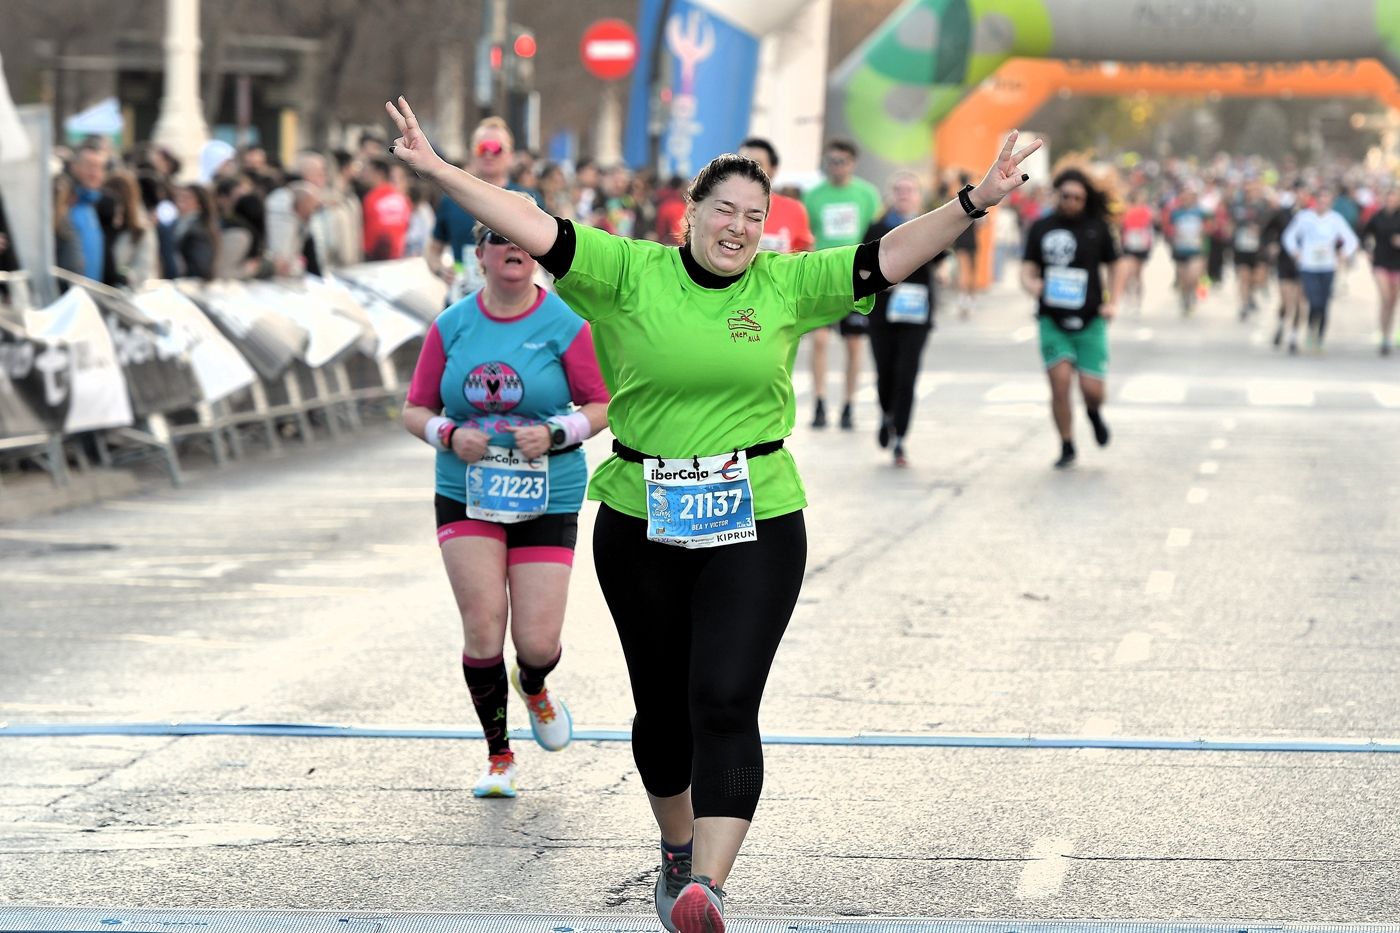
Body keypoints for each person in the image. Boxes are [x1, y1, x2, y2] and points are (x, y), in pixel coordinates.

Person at [386, 94, 1040, 933]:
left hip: (757, 512)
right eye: (723, 209)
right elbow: (532, 222)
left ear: (768, 227)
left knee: (725, 697)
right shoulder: (627, 273)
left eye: (753, 215)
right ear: (689, 214)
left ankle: (707, 888)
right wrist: (441, 171)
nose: (737, 226)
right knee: (663, 708)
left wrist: (975, 200)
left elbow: (887, 257)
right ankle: (676, 843)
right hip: (642, 513)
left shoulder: (785, 282)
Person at [401, 209, 610, 798]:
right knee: (483, 627)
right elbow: (414, 408)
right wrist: (447, 434)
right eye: (500, 237)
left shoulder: (568, 323)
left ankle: (536, 685)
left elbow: (602, 404)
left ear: (537, 253)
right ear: (482, 255)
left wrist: (557, 432)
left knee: (536, 644)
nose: (513, 246)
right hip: (466, 489)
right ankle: (499, 756)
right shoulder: (453, 325)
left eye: (524, 237)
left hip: (549, 490)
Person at [1021, 167, 1126, 470]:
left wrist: (1113, 303)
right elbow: (1026, 270)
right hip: (1052, 320)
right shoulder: (1041, 227)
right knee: (1060, 383)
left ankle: (1093, 413)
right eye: (1065, 196)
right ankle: (1066, 443)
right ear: (1057, 195)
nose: (1071, 202)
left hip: (1090, 319)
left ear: (1085, 199)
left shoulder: (1098, 227)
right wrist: (1032, 285)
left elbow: (1117, 266)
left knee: (1093, 391)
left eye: (1078, 198)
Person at [862, 171, 943, 468]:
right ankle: (886, 414)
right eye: (899, 190)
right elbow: (862, 265)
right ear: (892, 194)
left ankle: (900, 439)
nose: (904, 194)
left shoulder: (928, 225)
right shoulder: (877, 227)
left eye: (910, 190)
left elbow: (943, 255)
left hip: (916, 311)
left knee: (907, 374)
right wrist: (881, 280)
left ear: (918, 195)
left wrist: (946, 271)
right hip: (883, 311)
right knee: (886, 372)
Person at [802, 138, 882, 429]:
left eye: (842, 161)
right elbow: (805, 237)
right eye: (831, 161)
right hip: (822, 278)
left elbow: (877, 234)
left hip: (854, 279)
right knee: (819, 341)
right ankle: (820, 402)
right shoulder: (813, 195)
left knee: (854, 344)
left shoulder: (867, 194)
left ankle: (848, 404)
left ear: (853, 163)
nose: (836, 167)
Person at [426, 117, 541, 304]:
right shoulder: (451, 199)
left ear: (510, 155)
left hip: (516, 307)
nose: (488, 154)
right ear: (472, 153)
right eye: (482, 148)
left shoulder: (528, 200)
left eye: (496, 148)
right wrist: (441, 270)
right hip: (462, 303)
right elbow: (432, 250)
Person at [1282, 187, 1359, 352]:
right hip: (1308, 266)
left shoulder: (1335, 219)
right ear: (1315, 201)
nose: (1323, 204)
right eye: (1321, 200)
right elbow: (1289, 236)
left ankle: (1320, 338)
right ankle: (1311, 331)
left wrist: (1343, 254)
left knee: (1324, 304)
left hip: (1327, 266)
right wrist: (1295, 253)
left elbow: (1351, 240)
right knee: (1313, 301)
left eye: (1327, 201)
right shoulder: (1304, 217)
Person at [736, 138, 814, 256]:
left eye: (757, 164)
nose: (748, 170)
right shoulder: (722, 207)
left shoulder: (794, 210)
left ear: (773, 170)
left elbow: (805, 259)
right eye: (742, 164)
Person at [1362, 186, 1400, 356]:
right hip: (1381, 261)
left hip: (1397, 263)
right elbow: (1364, 234)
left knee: (1392, 301)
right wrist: (1368, 249)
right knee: (1385, 297)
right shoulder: (1377, 216)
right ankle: (1383, 333)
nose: (1393, 200)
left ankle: (1387, 335)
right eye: (1390, 197)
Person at [1230, 176, 1273, 320]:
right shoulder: (1237, 205)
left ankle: (1251, 294)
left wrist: (1260, 229)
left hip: (1259, 248)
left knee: (1258, 278)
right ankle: (1244, 305)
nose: (1251, 191)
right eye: (1248, 188)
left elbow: (1272, 222)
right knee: (1244, 277)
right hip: (1242, 247)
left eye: (1255, 188)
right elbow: (1231, 221)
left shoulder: (1265, 205)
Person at [361, 155, 413, 261]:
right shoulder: (402, 199)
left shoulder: (370, 199)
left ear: (379, 173)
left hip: (374, 259)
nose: (364, 175)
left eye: (368, 171)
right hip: (398, 257)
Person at [1165, 186, 1206, 316]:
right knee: (1183, 278)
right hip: (1180, 249)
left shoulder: (1200, 212)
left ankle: (1192, 294)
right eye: (1184, 197)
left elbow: (1208, 228)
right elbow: (1169, 230)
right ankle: (1184, 299)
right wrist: (1172, 240)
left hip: (1195, 249)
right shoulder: (1176, 213)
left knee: (1193, 276)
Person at [1118, 186, 1154, 315]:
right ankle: (1128, 298)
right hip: (1129, 245)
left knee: (1138, 275)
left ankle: (1138, 301)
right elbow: (1122, 227)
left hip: (1142, 246)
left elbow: (1150, 228)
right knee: (1128, 273)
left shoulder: (1147, 211)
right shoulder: (1126, 210)